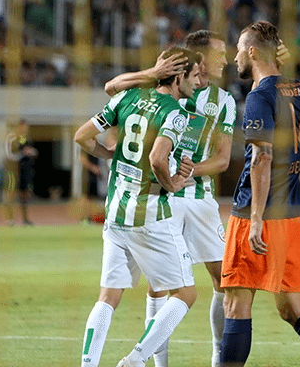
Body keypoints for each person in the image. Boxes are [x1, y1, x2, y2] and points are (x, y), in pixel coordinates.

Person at [104, 30, 290, 367]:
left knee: (224, 279)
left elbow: (221, 160)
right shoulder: (165, 85)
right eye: (219, 53)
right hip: (162, 198)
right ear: (200, 58)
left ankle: (219, 355)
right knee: (160, 287)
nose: (224, 60)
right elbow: (111, 88)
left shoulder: (223, 101)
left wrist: (188, 173)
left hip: (199, 199)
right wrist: (150, 73)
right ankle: (156, 363)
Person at [219, 20, 300, 367]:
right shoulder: (297, 88)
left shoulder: (258, 97)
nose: (235, 57)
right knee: (293, 308)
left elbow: (261, 158)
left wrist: (255, 219)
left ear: (253, 51)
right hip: (292, 213)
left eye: (240, 49)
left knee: (236, 304)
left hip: (255, 213)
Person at [74, 47, 202, 367]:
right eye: (194, 75)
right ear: (178, 76)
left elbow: (82, 137)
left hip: (116, 212)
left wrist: (108, 155)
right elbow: (157, 158)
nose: (197, 83)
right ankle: (136, 359)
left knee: (108, 296)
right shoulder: (174, 112)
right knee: (185, 294)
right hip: (150, 216)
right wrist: (172, 183)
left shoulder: (126, 97)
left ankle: (88, 364)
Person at [3, 119, 38, 226]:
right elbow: (9, 155)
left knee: (24, 195)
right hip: (12, 171)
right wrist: (22, 153)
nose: (26, 129)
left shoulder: (25, 138)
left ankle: (25, 220)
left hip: (24, 171)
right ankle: (9, 220)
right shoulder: (11, 138)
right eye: (24, 127)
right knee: (10, 194)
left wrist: (32, 152)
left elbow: (28, 151)